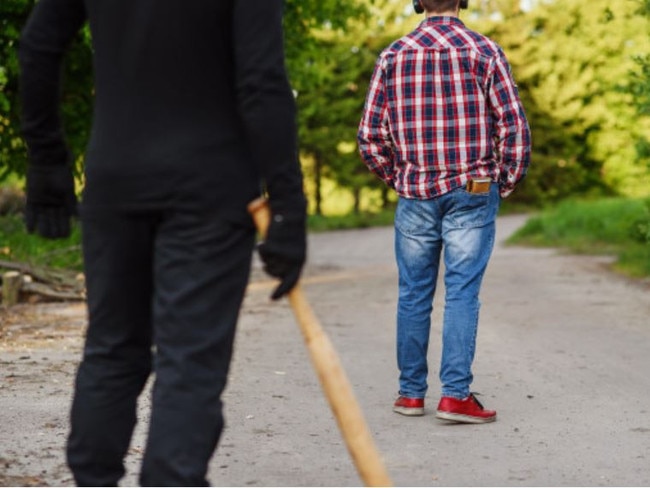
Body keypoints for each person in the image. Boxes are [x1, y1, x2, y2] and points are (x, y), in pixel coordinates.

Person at [19, 0, 306, 485]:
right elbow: (261, 80)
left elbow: (38, 47)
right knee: (189, 361)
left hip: (117, 178)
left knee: (112, 349)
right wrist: (288, 201)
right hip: (211, 185)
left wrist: (47, 160)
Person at [358, 0, 531, 424]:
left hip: (415, 192)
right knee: (462, 292)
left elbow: (370, 136)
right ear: (462, 1)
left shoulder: (393, 56)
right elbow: (513, 127)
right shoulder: (484, 51)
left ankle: (410, 394)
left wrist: (399, 179)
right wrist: (504, 181)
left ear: (418, 3)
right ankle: (455, 397)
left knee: (413, 292)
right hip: (472, 187)